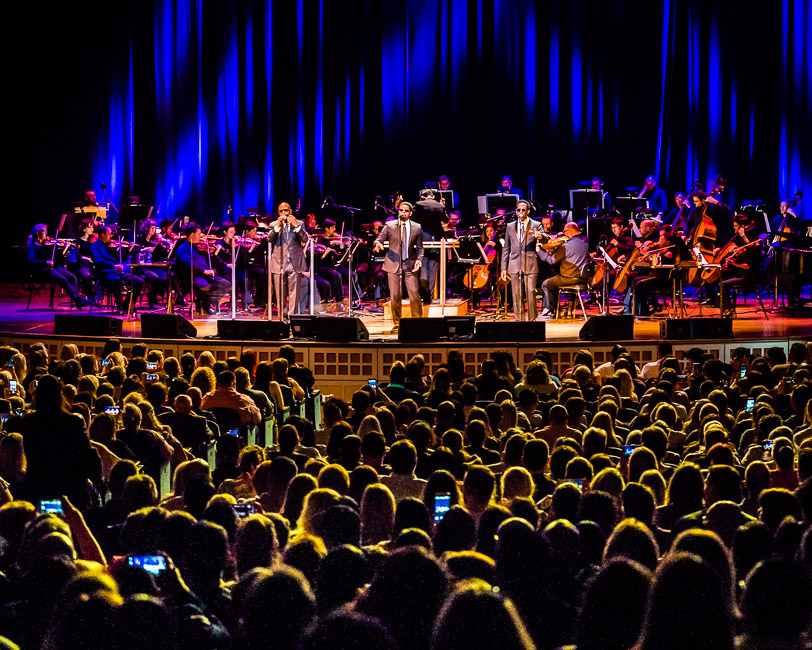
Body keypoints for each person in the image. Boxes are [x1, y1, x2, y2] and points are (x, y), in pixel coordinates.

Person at [374, 201, 424, 334]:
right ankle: (397, 323)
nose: (403, 212)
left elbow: (420, 248)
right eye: (401, 210)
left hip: (410, 264)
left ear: (411, 213)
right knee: (395, 295)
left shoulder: (417, 227)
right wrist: (378, 244)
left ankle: (417, 322)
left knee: (414, 294)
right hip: (393, 264)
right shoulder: (390, 225)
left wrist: (419, 260)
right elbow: (379, 239)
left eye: (406, 211)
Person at [27, 224, 90, 310]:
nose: (46, 233)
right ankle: (78, 299)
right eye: (45, 231)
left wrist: (65, 247)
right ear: (38, 233)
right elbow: (31, 261)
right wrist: (46, 262)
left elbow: (59, 257)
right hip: (42, 270)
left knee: (72, 277)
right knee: (62, 279)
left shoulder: (48, 244)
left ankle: (77, 299)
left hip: (54, 267)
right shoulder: (33, 246)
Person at [537, 221, 590, 318]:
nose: (563, 234)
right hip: (583, 278)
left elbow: (551, 261)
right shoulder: (585, 240)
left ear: (569, 232)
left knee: (546, 284)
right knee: (572, 285)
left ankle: (558, 311)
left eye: (564, 232)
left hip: (568, 278)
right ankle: (570, 310)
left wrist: (539, 251)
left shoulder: (566, 246)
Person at [174, 222, 230, 314]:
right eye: (199, 235)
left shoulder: (199, 247)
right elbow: (189, 265)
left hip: (204, 275)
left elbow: (207, 262)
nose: (201, 237)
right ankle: (206, 305)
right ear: (192, 235)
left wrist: (211, 254)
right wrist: (204, 271)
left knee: (225, 284)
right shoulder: (183, 249)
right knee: (206, 287)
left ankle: (206, 303)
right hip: (191, 276)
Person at [500, 200, 540, 321]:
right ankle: (519, 319)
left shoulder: (536, 225)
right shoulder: (510, 226)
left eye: (523, 210)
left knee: (531, 292)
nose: (520, 212)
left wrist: (540, 236)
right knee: (516, 294)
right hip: (514, 263)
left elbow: (545, 239)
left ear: (528, 211)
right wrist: (503, 267)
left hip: (530, 263)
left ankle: (532, 320)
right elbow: (506, 248)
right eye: (518, 210)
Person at [268, 202, 309, 319]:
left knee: (294, 295)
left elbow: (305, 239)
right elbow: (269, 239)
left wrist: (296, 226)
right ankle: (283, 320)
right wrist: (277, 227)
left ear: (290, 211)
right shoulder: (273, 224)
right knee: (280, 294)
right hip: (279, 263)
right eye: (281, 211)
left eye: (285, 210)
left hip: (294, 263)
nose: (283, 213)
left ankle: (292, 321)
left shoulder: (299, 223)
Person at [90, 225, 144, 314]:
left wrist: (129, 251)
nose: (111, 237)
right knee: (116, 279)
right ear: (103, 235)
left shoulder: (111, 246)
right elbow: (98, 261)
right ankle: (120, 306)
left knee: (139, 281)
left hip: (116, 271)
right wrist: (114, 266)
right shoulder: (94, 247)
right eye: (109, 234)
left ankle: (127, 304)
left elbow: (119, 260)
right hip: (104, 272)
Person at [413, 189, 448, 304]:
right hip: (436, 238)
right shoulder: (439, 206)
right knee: (432, 267)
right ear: (432, 197)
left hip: (422, 237)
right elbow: (445, 220)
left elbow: (411, 219)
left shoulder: (419, 204)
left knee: (423, 265)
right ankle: (430, 296)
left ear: (423, 197)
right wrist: (442, 206)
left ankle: (425, 294)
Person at [133, 218, 168, 308]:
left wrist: (166, 250)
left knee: (165, 276)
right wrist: (144, 249)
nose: (153, 230)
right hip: (142, 267)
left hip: (153, 266)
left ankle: (153, 294)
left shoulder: (155, 241)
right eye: (151, 227)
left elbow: (158, 256)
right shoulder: (140, 240)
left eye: (154, 227)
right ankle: (152, 297)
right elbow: (134, 251)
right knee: (155, 278)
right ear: (146, 228)